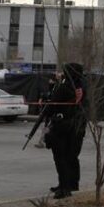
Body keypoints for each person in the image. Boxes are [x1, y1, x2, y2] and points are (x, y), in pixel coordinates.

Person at [44, 63, 86, 199]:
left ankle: (64, 187)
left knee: (61, 157)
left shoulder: (64, 87)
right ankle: (70, 183)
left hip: (62, 127)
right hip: (78, 127)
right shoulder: (83, 86)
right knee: (71, 156)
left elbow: (51, 107)